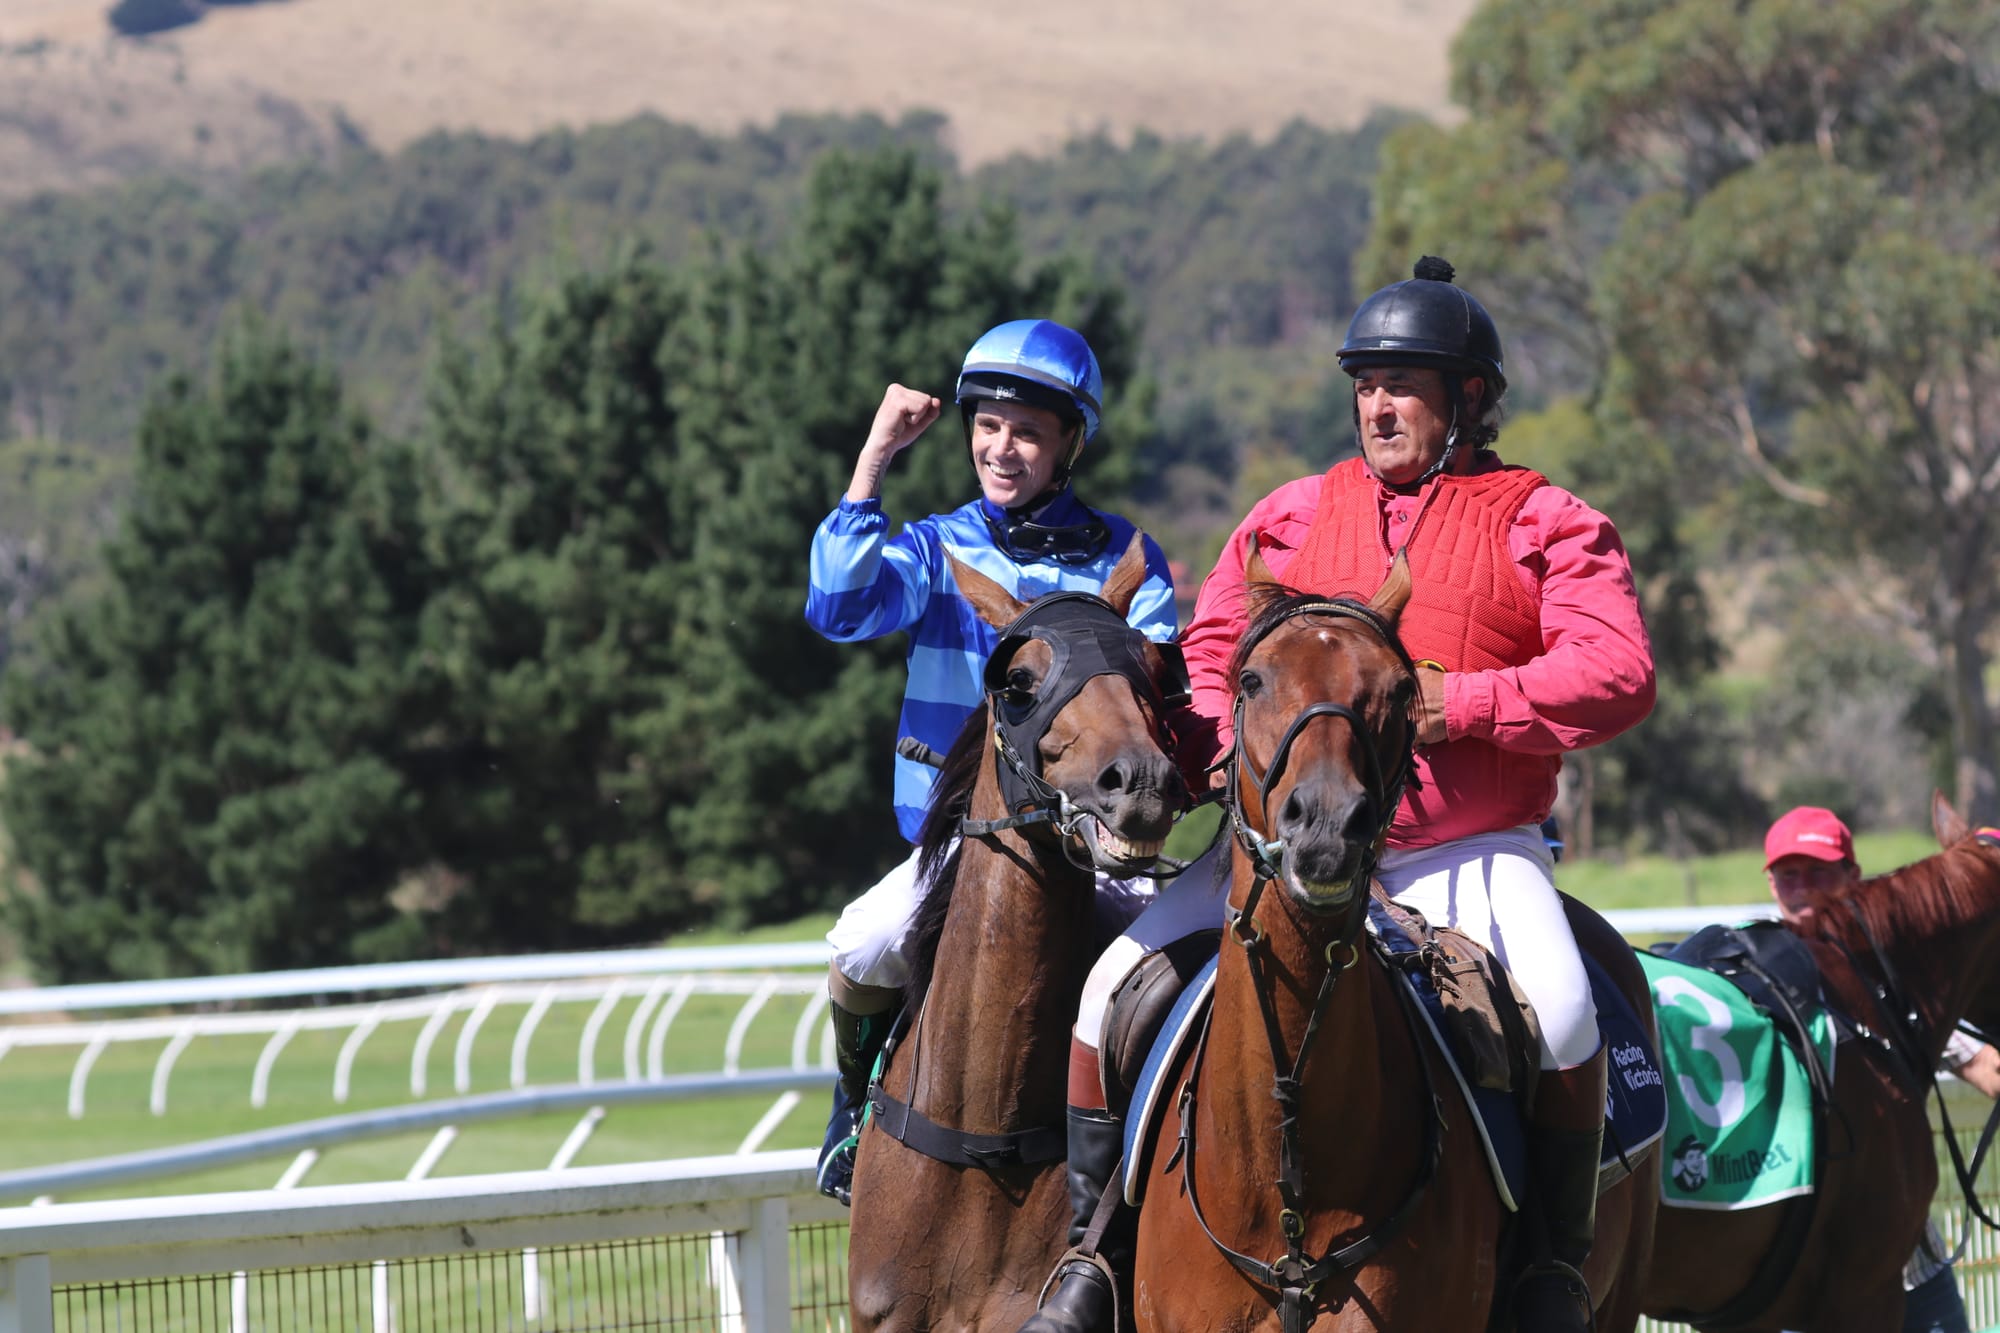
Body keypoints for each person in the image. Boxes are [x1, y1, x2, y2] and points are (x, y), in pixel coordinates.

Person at [1018, 257, 1657, 1333]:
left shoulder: (1544, 519)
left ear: (1468, 398)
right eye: (1365, 384)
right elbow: (1214, 650)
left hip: (1463, 849)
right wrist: (1224, 742)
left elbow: (1618, 670)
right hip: (1273, 852)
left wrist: (1467, 703)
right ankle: (1093, 1255)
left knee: (1559, 1010)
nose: (1377, 406)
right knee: (1105, 992)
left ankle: (1551, 1268)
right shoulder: (1289, 514)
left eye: (1402, 384)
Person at [804, 319, 1179, 1205]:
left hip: (1098, 852)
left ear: (1069, 445)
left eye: (1028, 432)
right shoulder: (937, 547)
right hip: (964, 850)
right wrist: (874, 458)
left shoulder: (1126, 557)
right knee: (861, 945)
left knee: (1170, 976)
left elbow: (1165, 687)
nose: (1001, 449)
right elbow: (837, 607)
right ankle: (853, 1115)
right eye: (988, 426)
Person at [1763, 806, 2000, 1333]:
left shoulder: (1891, 990)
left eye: (1819, 872)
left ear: (1854, 877)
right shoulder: (1745, 982)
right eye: (1789, 875)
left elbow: (1987, 1067)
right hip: (1793, 1272)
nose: (1803, 889)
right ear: (1771, 884)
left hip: (1909, 1268)